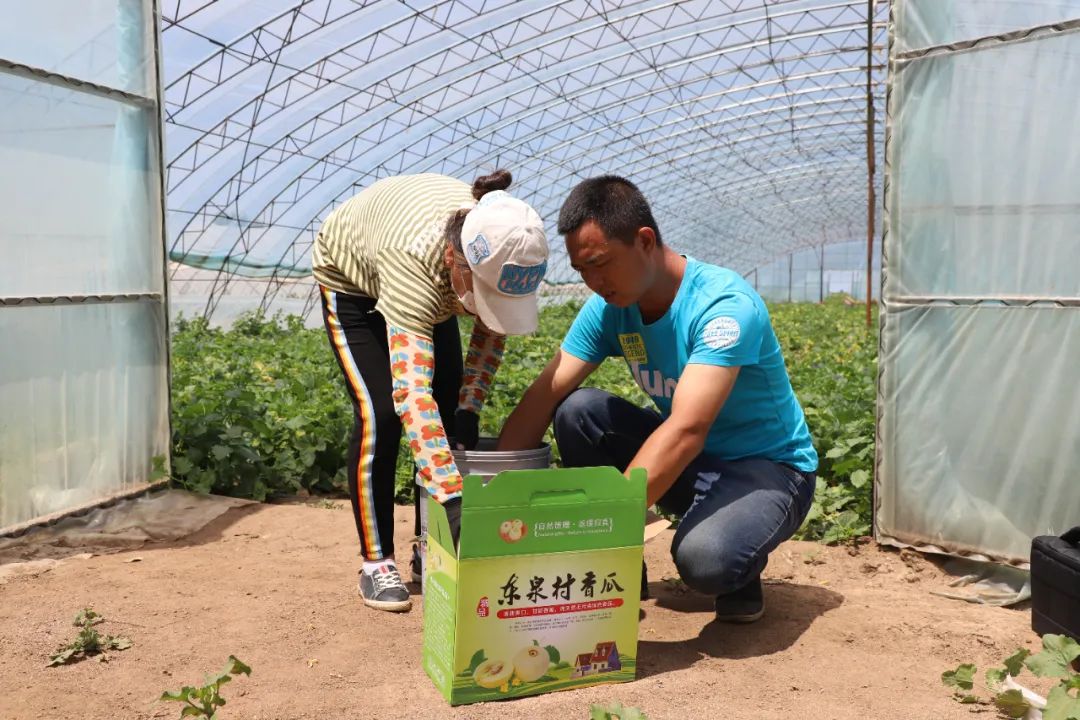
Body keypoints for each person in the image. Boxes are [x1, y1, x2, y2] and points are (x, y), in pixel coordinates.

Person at [497, 175, 817, 622]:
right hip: (692, 464)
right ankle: (621, 570)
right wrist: (488, 499)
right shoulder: (611, 308)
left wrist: (602, 526)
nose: (593, 281)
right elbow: (544, 395)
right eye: (582, 270)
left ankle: (738, 565)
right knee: (577, 411)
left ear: (644, 240)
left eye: (600, 263)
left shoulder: (721, 306)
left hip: (767, 469)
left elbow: (687, 428)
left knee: (706, 559)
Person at [312, 170, 548, 612]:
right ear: (455, 262)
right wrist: (456, 500)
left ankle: (430, 544)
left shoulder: (503, 244)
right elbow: (412, 394)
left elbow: (491, 331)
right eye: (480, 294)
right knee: (380, 414)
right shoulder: (414, 263)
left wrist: (468, 407)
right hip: (352, 282)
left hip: (432, 277)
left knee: (449, 411)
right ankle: (376, 562)